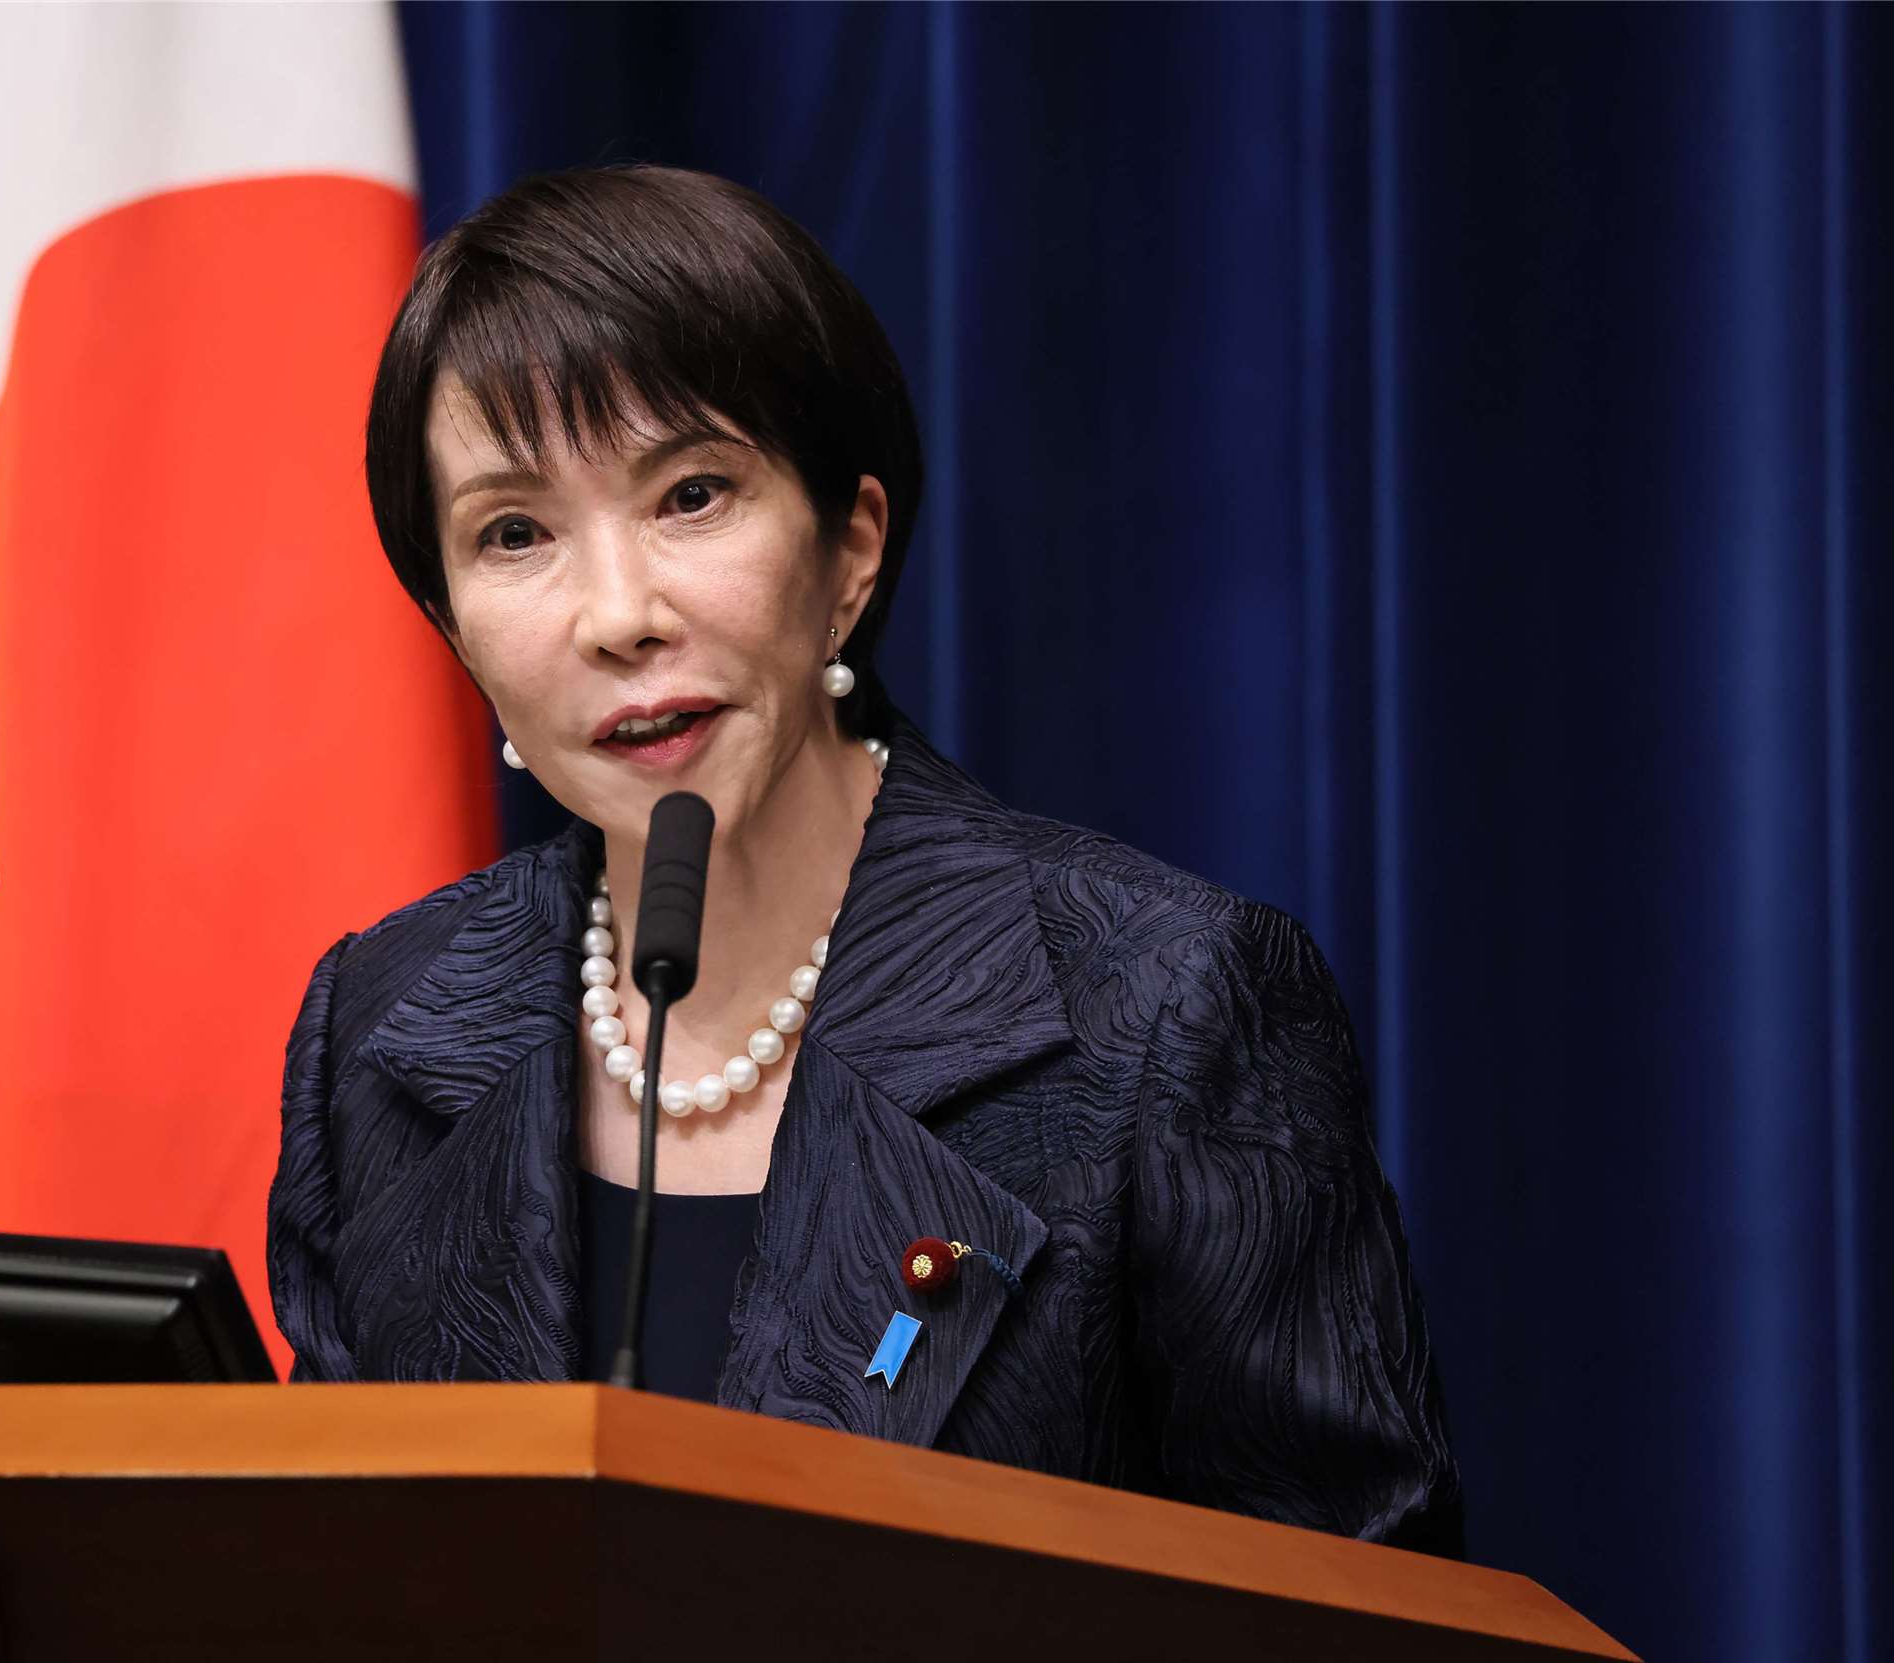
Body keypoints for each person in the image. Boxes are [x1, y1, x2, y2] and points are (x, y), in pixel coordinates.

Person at [268, 166, 1461, 1553]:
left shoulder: (1163, 1012)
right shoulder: (386, 1026)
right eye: (514, 534)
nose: (617, 615)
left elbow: (1363, 1649)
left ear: (849, 550)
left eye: (692, 495)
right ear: (453, 628)